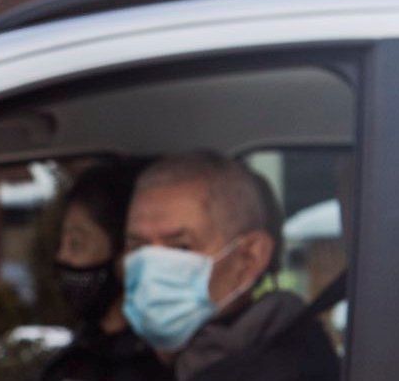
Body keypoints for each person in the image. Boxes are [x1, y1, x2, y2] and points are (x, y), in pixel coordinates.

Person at [122, 152, 341, 381]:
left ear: (249, 258)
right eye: (137, 247)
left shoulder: (286, 368)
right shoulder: (152, 356)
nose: (151, 268)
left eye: (182, 247)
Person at [41, 161, 171, 381]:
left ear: (126, 255)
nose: (62, 257)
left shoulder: (160, 363)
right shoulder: (77, 356)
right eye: (61, 243)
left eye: (76, 244)